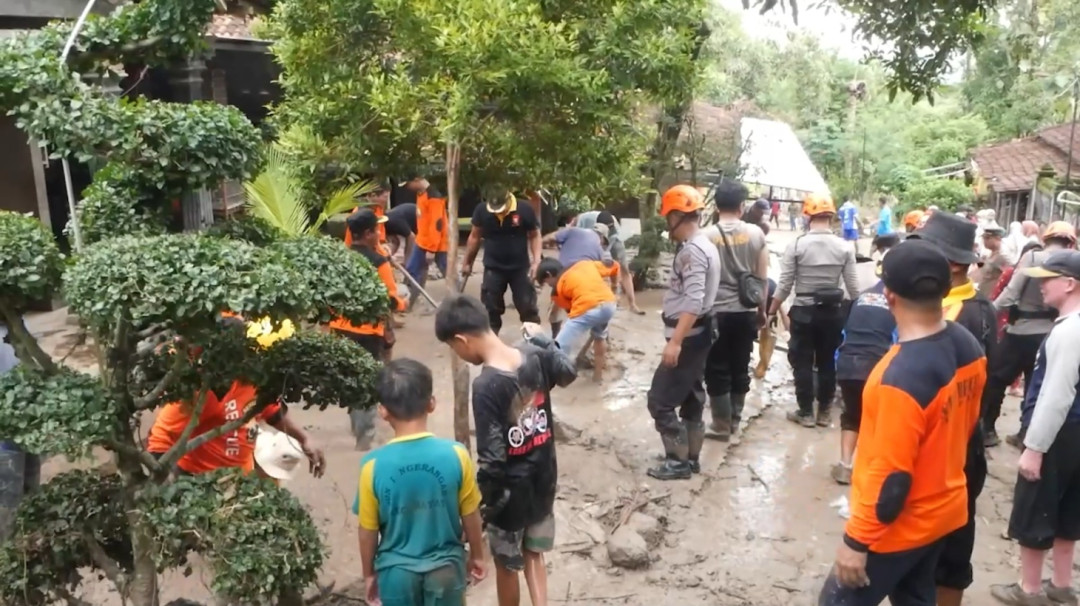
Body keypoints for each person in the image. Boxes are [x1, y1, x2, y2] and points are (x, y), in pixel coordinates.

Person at [818, 239, 985, 606]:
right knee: (915, 597)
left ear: (889, 295)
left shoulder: (897, 377)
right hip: (943, 510)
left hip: (897, 527)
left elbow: (891, 477)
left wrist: (856, 542)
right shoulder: (969, 345)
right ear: (945, 288)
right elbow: (969, 425)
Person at [434, 295, 576, 606]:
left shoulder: (486, 386)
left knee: (508, 566)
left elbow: (494, 461)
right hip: (544, 479)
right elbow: (568, 373)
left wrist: (482, 509)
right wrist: (545, 340)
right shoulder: (533, 355)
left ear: (461, 339)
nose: (457, 353)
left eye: (453, 347)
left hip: (511, 496)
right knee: (534, 554)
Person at [909, 212, 996, 606]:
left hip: (952, 447)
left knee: (948, 549)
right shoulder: (955, 305)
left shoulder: (964, 315)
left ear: (953, 265)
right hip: (950, 441)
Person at [354, 359, 487, 606]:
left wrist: (369, 574)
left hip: (396, 574)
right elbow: (471, 513)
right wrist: (478, 555)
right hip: (446, 569)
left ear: (383, 411)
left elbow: (368, 530)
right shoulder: (456, 454)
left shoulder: (371, 466)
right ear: (431, 404)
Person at [990, 251, 1080, 606]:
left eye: (1048, 279)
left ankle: (1029, 589)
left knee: (1036, 510)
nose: (1040, 286)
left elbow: (1055, 395)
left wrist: (1034, 447)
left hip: (1057, 434)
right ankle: (1060, 585)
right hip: (1077, 435)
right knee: (1070, 512)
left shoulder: (1068, 332)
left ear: (1070, 284)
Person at [147, 316, 325, 477]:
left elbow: (272, 411)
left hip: (241, 482)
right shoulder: (201, 391)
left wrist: (304, 438)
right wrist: (173, 487)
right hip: (201, 483)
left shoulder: (254, 379)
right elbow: (159, 441)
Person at [646, 185, 721, 480]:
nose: (668, 226)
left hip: (688, 337)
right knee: (691, 395)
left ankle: (677, 463)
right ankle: (690, 457)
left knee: (659, 400)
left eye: (668, 218)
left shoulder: (693, 252)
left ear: (677, 215)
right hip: (698, 333)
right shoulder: (706, 245)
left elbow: (693, 300)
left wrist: (675, 342)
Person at [770, 193, 860, 428]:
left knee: (802, 361)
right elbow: (853, 288)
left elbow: (784, 285)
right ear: (831, 217)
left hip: (803, 312)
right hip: (832, 313)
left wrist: (771, 311)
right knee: (828, 361)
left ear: (808, 215)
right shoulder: (845, 247)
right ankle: (825, 413)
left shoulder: (797, 245)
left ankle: (806, 412)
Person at [985, 221, 1076, 447]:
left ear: (1047, 238)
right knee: (1037, 386)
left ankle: (987, 429)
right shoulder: (1072, 265)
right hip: (1049, 334)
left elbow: (1011, 293)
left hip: (1020, 332)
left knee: (996, 379)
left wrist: (988, 313)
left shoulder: (1033, 258)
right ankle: (1026, 433)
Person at [330, 208, 407, 449]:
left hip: (340, 329)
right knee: (366, 384)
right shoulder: (377, 262)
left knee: (353, 380)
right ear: (367, 234)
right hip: (366, 332)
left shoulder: (339, 259)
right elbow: (389, 300)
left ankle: (360, 429)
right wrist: (402, 301)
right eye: (376, 230)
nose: (379, 234)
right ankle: (365, 440)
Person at [699, 179, 768, 441]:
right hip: (745, 312)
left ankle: (720, 425)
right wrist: (762, 311)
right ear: (742, 206)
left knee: (716, 368)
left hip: (714, 312)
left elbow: (699, 280)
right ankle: (735, 421)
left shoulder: (705, 236)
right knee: (740, 365)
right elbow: (761, 279)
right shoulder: (756, 234)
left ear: (716, 206)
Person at [831, 234, 900, 486]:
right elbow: (900, 341)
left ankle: (844, 466)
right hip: (877, 367)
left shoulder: (861, 297)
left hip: (847, 363)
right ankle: (874, 472)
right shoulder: (900, 303)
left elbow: (844, 334)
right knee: (879, 420)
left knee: (852, 415)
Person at [462, 187, 542, 335]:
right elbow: (474, 237)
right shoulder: (482, 211)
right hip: (493, 267)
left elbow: (534, 235)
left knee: (527, 306)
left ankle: (535, 342)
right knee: (490, 307)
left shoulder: (524, 209)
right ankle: (491, 344)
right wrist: (467, 262)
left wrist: (536, 261)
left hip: (520, 267)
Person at [535, 257, 618, 382]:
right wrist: (615, 286)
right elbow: (615, 265)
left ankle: (551, 379)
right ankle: (597, 376)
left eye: (547, 282)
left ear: (549, 274)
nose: (549, 285)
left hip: (587, 308)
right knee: (599, 337)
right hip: (609, 305)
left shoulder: (557, 290)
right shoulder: (585, 264)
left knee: (559, 347)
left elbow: (571, 312)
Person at [575, 211, 644, 314]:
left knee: (623, 268)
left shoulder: (614, 230)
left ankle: (632, 305)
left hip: (613, 240)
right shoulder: (585, 221)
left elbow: (614, 262)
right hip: (588, 239)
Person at [402, 176, 449, 301]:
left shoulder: (434, 197)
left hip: (437, 244)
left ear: (416, 180)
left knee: (448, 273)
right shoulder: (421, 194)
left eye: (408, 184)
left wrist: (431, 249)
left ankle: (459, 301)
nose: (407, 188)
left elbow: (436, 225)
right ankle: (409, 302)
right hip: (421, 241)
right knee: (412, 271)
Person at [975, 221, 1012, 294]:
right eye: (984, 238)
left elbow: (1009, 276)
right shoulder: (987, 255)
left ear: (997, 238)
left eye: (988, 238)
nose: (984, 241)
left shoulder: (1003, 256)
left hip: (992, 296)